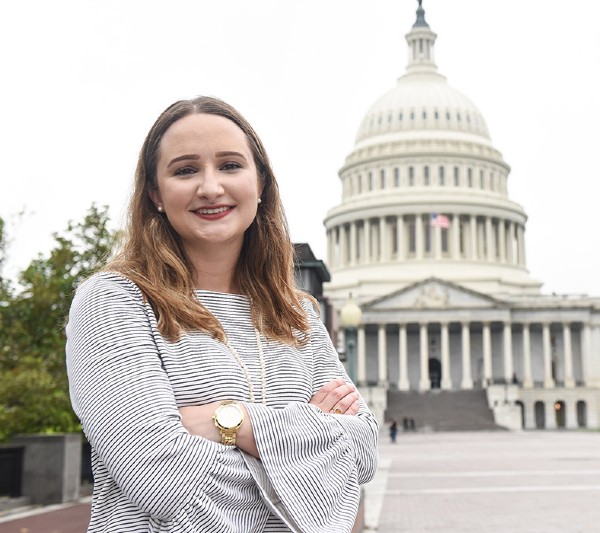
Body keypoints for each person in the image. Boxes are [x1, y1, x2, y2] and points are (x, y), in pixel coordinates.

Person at [66, 96, 379, 532]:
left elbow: (362, 453)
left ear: (261, 183)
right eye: (186, 170)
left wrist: (226, 420)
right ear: (155, 194)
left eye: (230, 165)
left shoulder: (297, 317)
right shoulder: (117, 302)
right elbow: (159, 477)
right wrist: (310, 453)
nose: (210, 188)